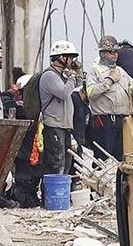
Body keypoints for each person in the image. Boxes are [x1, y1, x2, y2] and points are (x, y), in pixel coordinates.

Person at [87, 35, 133, 161]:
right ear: (102, 53)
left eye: (116, 52)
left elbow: (132, 87)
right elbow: (91, 92)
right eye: (111, 52)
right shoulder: (95, 71)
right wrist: (109, 81)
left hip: (122, 119)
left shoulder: (121, 71)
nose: (115, 55)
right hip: (104, 120)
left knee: (120, 156)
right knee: (103, 157)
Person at [40, 40, 80, 176]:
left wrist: (75, 74)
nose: (72, 61)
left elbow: (77, 83)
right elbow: (63, 93)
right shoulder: (49, 75)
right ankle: (51, 195)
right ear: (61, 57)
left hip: (64, 125)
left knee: (66, 161)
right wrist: (71, 78)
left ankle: (60, 195)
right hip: (54, 125)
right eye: (70, 57)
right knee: (56, 163)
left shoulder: (62, 76)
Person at [10, 74, 42, 208]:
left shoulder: (25, 107)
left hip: (29, 152)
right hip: (26, 153)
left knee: (30, 182)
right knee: (25, 182)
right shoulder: (23, 107)